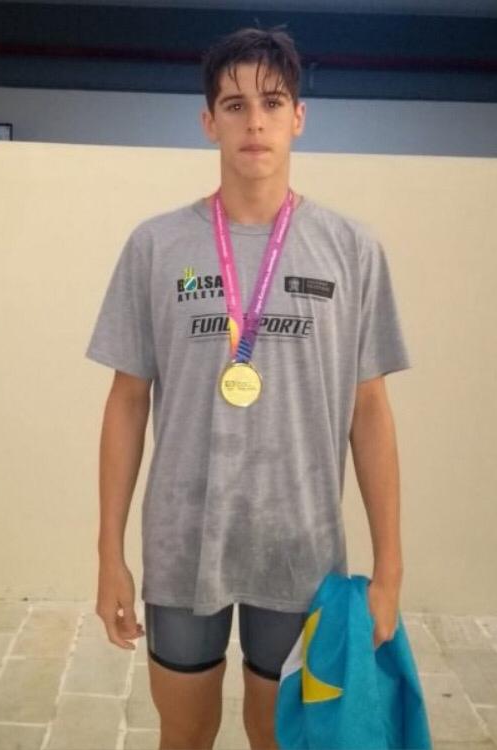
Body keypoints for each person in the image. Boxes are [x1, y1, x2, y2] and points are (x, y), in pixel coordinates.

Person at [86, 26, 411, 750]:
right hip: (183, 544)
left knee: (279, 735)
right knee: (185, 732)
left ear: (299, 117)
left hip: (300, 548)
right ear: (209, 122)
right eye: (234, 105)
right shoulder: (156, 246)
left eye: (272, 102)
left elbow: (370, 412)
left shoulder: (352, 250)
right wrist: (109, 553)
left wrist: (389, 569)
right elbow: (126, 402)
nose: (254, 121)